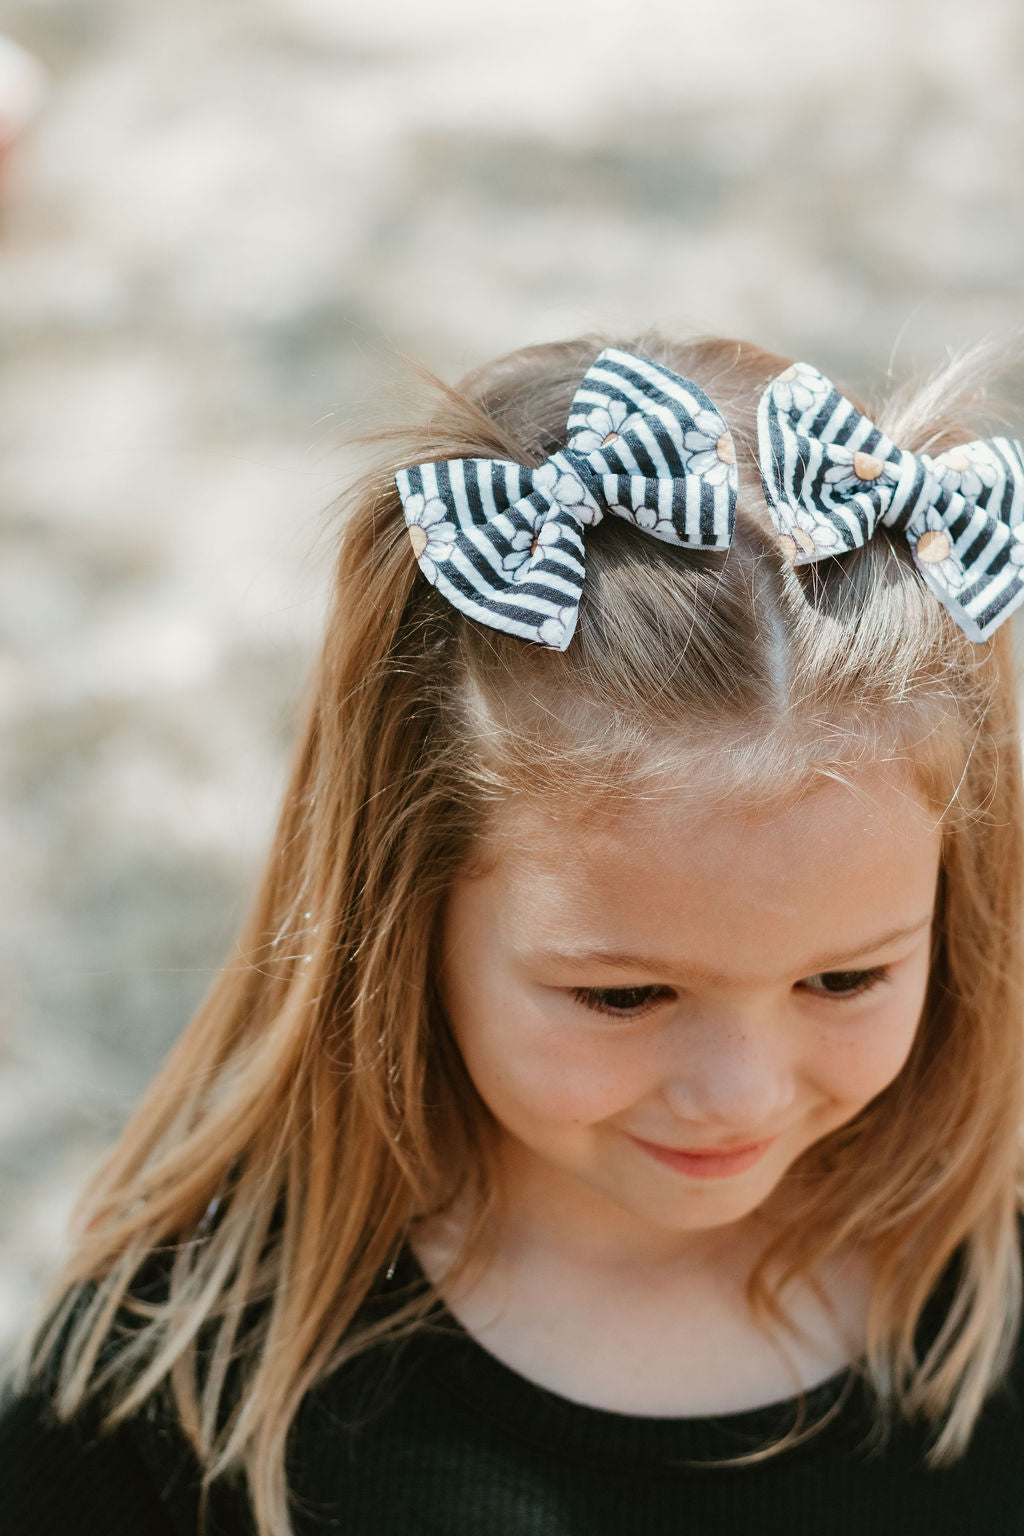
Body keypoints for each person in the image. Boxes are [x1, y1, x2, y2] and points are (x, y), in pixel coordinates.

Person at [4, 333, 1024, 1536]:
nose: (737, 1093)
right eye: (626, 996)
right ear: (406, 917)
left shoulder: (992, 1306)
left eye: (845, 977)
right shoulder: (171, 1386)